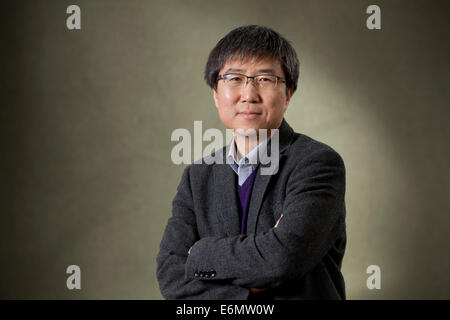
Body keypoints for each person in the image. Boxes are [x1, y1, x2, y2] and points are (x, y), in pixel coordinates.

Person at [156, 25, 346, 300]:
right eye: (234, 78)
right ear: (215, 92)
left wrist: (199, 253)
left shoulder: (317, 165)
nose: (249, 94)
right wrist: (255, 280)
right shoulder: (198, 177)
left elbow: (282, 260)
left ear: (289, 92)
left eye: (265, 79)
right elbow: (170, 275)